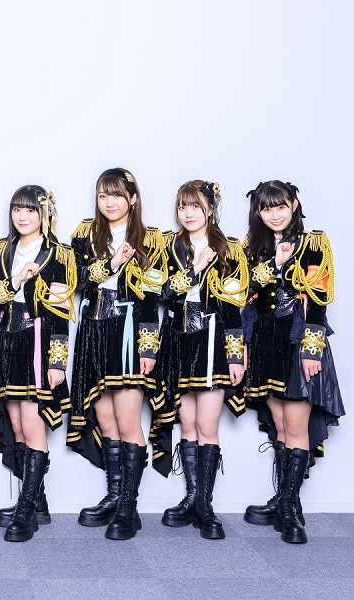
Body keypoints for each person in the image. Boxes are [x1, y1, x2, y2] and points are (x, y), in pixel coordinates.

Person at [66, 167, 169, 540]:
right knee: (105, 418)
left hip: (127, 328)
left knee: (127, 421)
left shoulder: (150, 239)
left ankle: (129, 507)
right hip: (94, 327)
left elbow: (153, 296)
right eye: (103, 195)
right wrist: (111, 264)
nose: (109, 202)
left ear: (133, 199)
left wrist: (148, 345)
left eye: (117, 195)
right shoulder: (84, 233)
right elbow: (75, 279)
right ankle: (114, 496)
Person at [243, 180, 343, 544]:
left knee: (296, 425)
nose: (274, 214)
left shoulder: (313, 243)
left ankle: (287, 509)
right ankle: (286, 502)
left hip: (297, 339)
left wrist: (312, 349)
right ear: (258, 211)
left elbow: (319, 298)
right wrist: (276, 263)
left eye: (280, 206)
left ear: (294, 204)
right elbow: (244, 291)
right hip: (265, 340)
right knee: (282, 425)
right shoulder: (252, 246)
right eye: (267, 208)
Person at [0, 185, 75, 542]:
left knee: (34, 425)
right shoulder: (1, 250)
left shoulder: (59, 255)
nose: (22, 216)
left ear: (44, 214)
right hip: (8, 338)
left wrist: (57, 361)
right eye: (17, 209)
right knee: (18, 425)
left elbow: (62, 311)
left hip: (38, 339)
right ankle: (36, 501)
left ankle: (26, 511)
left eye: (31, 210)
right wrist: (17, 280)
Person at [157, 180, 248, 540]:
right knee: (187, 423)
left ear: (211, 208)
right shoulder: (167, 246)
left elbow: (235, 307)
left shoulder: (230, 249)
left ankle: (205, 506)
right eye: (182, 206)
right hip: (178, 338)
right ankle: (192, 498)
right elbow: (161, 292)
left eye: (195, 205)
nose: (188, 213)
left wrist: (236, 355)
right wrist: (194, 268)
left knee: (207, 425)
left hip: (212, 338)